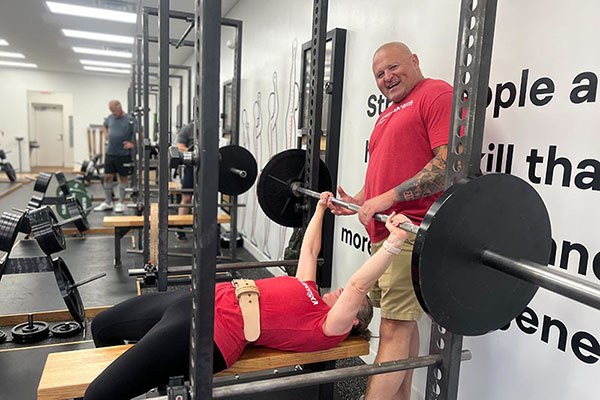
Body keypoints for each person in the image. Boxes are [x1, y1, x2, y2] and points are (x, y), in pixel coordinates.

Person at [84, 192, 412, 400]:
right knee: (102, 326)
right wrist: (320, 208)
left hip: (211, 334)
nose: (340, 291)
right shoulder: (309, 289)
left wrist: (394, 242)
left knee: (98, 394)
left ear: (353, 319)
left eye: (353, 303)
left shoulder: (329, 326)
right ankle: (138, 372)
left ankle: (131, 375)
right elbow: (310, 248)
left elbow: (357, 286)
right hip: (193, 301)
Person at [328, 42, 452, 400]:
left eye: (393, 68)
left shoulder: (435, 94)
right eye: (379, 74)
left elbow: (447, 166)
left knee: (395, 327)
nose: (387, 78)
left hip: (409, 231)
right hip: (385, 234)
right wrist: (358, 201)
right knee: (403, 327)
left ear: (415, 61)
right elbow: (385, 173)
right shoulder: (388, 114)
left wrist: (390, 197)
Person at [94, 100, 135, 213]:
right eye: (111, 110)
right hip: (110, 153)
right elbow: (105, 126)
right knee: (107, 177)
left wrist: (133, 144)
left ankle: (121, 203)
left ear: (120, 107)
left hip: (123, 154)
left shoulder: (130, 119)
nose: (113, 113)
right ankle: (108, 202)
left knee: (123, 178)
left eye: (114, 110)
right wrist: (107, 135)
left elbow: (140, 133)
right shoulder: (110, 118)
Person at [174, 122, 194, 240]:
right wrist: (194, 154)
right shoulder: (187, 129)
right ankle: (179, 229)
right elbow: (180, 146)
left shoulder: (210, 129)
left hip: (208, 170)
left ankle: (205, 228)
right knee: (186, 198)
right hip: (190, 169)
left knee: (207, 201)